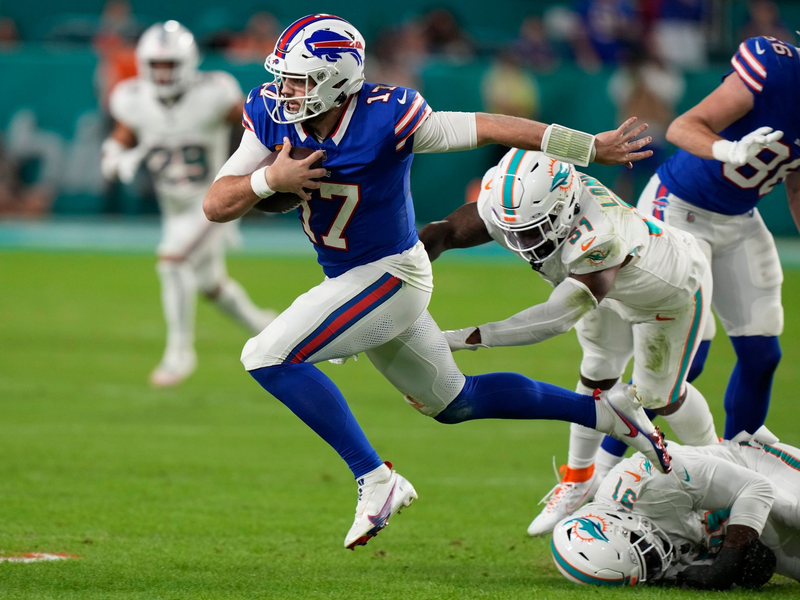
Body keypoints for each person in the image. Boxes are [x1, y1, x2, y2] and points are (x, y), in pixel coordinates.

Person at [203, 13, 665, 551]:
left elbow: (489, 126)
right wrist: (269, 179)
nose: (286, 90)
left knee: (266, 356)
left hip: (392, 274)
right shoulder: (271, 112)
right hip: (351, 277)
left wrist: (586, 147)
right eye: (284, 77)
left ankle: (375, 478)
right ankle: (608, 413)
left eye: (300, 80)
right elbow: (216, 203)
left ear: (337, 80)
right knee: (456, 402)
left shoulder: (387, 116)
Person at [418, 149, 718, 537]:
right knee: (597, 370)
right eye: (513, 229)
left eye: (533, 229)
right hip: (601, 286)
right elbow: (441, 234)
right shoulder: (509, 204)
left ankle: (721, 466)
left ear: (565, 207)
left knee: (660, 397)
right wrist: (391, 283)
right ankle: (579, 479)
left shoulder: (600, 235)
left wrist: (462, 339)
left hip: (667, 292)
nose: (520, 239)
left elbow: (554, 319)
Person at [594, 35, 800, 475]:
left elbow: (796, 184)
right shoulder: (776, 69)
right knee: (685, 360)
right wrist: (729, 149)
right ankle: (599, 470)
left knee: (762, 355)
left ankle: (738, 473)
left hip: (739, 218)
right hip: (679, 206)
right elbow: (683, 127)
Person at [101, 21, 276, 387]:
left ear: (189, 62)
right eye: (156, 65)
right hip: (175, 206)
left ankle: (179, 352)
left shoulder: (213, 92)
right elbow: (122, 135)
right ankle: (264, 325)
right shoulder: (133, 98)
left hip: (212, 198)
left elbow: (257, 126)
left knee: (172, 260)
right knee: (210, 284)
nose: (163, 73)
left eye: (170, 64)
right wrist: (114, 157)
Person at [552, 428, 800, 588]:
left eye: (641, 546)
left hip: (758, 471)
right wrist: (741, 567)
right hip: (744, 525)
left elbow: (757, 488)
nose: (656, 558)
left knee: (790, 508)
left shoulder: (650, 480)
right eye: (649, 562)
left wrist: (729, 559)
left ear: (617, 522)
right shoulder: (641, 565)